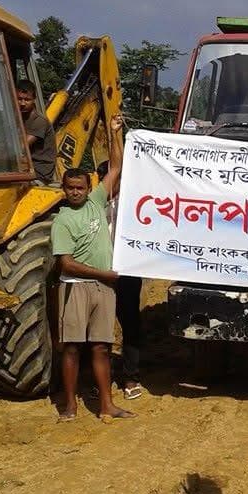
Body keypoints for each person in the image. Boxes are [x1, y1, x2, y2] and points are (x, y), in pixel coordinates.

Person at [51, 114, 134, 422]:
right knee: (72, 348)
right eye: (70, 188)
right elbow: (66, 263)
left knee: (101, 347)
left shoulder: (98, 202)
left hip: (104, 288)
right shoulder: (62, 221)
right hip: (77, 288)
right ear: (64, 189)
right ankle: (70, 406)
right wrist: (106, 275)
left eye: (80, 188)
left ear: (89, 187)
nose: (75, 192)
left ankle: (107, 405)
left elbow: (116, 167)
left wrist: (114, 133)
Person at [96, 158, 144, 400]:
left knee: (130, 324)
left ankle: (130, 377)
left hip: (127, 273)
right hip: (98, 273)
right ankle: (100, 379)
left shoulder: (135, 207)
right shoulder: (93, 206)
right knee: (98, 329)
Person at [16, 79, 56, 184]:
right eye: (19, 99)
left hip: (39, 174)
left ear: (34, 99)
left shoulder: (39, 121)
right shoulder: (17, 118)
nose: (22, 103)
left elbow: (21, 147)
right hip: (25, 168)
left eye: (27, 99)